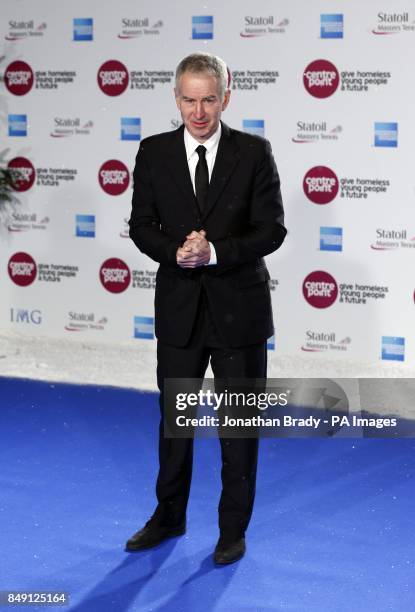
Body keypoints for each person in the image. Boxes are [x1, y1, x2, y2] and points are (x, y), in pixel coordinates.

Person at [126, 52, 286, 564]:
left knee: (238, 427)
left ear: (226, 98)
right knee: (175, 421)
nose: (199, 112)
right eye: (189, 100)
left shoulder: (254, 152)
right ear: (176, 98)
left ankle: (231, 530)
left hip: (239, 311)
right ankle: (168, 516)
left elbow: (271, 229)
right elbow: (141, 225)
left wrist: (214, 251)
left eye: (209, 100)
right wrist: (174, 251)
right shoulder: (152, 153)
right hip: (179, 311)